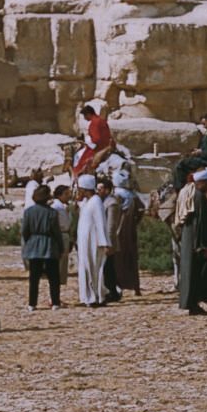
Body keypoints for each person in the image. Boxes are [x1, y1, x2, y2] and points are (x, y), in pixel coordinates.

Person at [173, 167, 207, 315]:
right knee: (194, 272)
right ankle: (192, 304)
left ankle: (191, 303)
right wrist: (203, 245)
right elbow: (201, 223)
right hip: (195, 240)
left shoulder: (189, 192)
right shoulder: (198, 196)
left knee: (189, 271)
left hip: (188, 238)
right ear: (202, 182)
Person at [21, 183, 64, 310]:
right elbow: (56, 232)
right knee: (53, 277)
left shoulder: (28, 212)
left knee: (34, 277)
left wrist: (30, 242)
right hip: (49, 244)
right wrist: (60, 247)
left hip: (34, 244)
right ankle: (55, 302)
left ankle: (32, 303)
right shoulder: (52, 212)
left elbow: (25, 231)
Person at [75, 175, 112, 307]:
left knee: (94, 270)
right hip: (85, 242)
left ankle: (94, 297)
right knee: (86, 269)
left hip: (94, 242)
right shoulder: (87, 202)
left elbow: (101, 223)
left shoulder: (96, 202)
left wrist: (105, 243)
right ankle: (87, 297)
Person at [109, 167, 143, 298]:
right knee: (132, 258)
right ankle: (135, 287)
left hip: (119, 230)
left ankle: (118, 285)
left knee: (118, 260)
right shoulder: (132, 195)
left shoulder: (117, 195)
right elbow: (141, 209)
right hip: (130, 230)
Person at [73, 105, 114, 178]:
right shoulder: (101, 120)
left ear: (88, 114)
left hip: (98, 148)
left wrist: (86, 141)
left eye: (85, 116)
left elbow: (96, 139)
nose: (85, 118)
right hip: (107, 145)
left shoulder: (94, 123)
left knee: (81, 163)